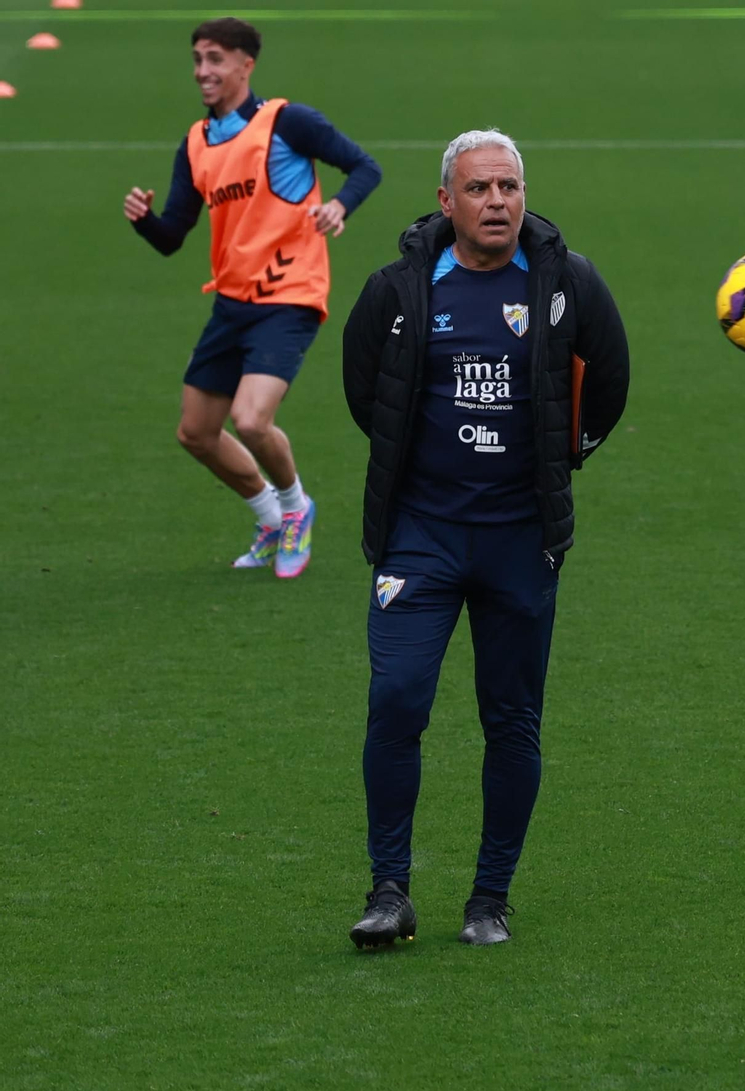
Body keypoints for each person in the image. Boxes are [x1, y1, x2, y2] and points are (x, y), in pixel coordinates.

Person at [341, 129, 629, 947]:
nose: (497, 201)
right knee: (397, 700)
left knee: (512, 719)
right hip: (420, 538)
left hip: (519, 540)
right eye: (479, 189)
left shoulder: (568, 282)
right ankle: (389, 892)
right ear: (446, 201)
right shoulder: (397, 289)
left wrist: (564, 460)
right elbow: (366, 394)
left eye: (509, 186)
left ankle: (489, 900)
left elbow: (609, 383)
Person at [124, 17, 382, 577]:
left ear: (246, 65)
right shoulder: (196, 144)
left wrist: (339, 205)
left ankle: (296, 509)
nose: (203, 70)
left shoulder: (287, 122)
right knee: (196, 433)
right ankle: (268, 516)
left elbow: (365, 167)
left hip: (290, 294)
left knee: (250, 420)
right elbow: (172, 237)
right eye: (198, 59)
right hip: (232, 302)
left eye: (215, 59)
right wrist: (145, 221)